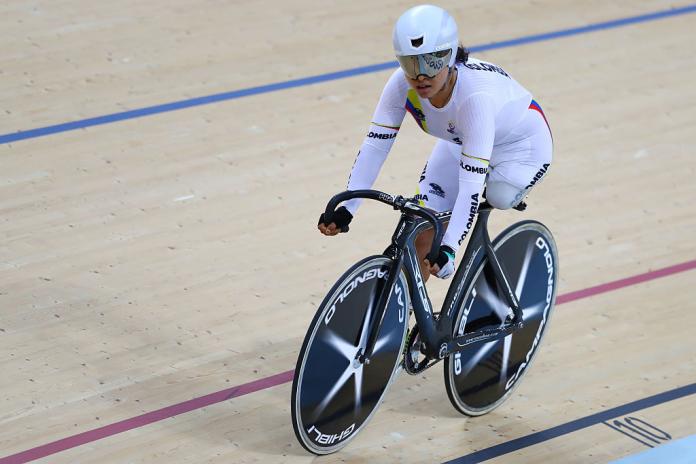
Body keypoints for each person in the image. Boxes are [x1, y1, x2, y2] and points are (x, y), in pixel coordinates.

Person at [318, 4, 552, 281]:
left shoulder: (474, 99)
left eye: (431, 62)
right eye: (410, 63)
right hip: (464, 142)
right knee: (420, 230)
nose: (420, 76)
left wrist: (450, 248)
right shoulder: (400, 86)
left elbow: (470, 186)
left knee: (497, 196)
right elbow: (375, 147)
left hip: (520, 149)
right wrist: (348, 207)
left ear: (451, 56)